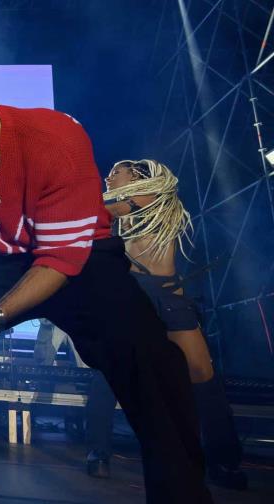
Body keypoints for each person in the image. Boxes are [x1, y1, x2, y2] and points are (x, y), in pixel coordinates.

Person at [0, 47, 210, 504]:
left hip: (83, 259)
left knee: (151, 364)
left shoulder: (53, 139)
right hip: (9, 259)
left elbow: (61, 260)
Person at [81, 159, 246, 488]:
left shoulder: (149, 197)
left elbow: (106, 208)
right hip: (134, 293)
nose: (108, 177)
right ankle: (98, 452)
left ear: (139, 176)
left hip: (169, 294)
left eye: (117, 172)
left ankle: (223, 460)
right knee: (111, 372)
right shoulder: (114, 207)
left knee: (202, 374)